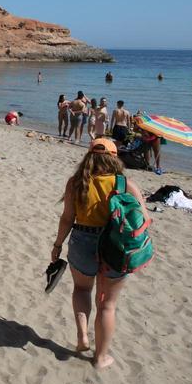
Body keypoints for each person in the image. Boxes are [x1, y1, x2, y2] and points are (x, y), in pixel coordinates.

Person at [51, 138, 148, 370]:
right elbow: (143, 220)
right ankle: (100, 357)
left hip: (82, 240)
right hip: (114, 247)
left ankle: (83, 335)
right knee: (107, 305)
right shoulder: (125, 184)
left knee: (81, 289)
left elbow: (67, 218)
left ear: (89, 156)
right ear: (115, 157)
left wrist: (57, 245)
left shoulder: (76, 182)